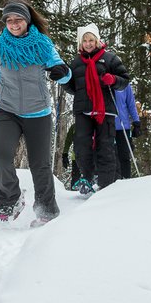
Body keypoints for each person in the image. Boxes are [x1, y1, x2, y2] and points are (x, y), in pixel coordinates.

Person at [0, 0, 72, 227]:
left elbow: (62, 70)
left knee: (40, 165)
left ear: (27, 21)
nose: (13, 24)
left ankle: (47, 211)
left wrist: (62, 72)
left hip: (38, 112)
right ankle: (10, 200)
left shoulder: (42, 44)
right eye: (9, 20)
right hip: (7, 110)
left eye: (18, 20)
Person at [61, 23, 130, 194]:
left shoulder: (110, 59)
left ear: (97, 40)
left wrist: (113, 80)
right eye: (85, 40)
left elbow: (125, 80)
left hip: (105, 109)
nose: (88, 43)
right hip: (84, 109)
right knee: (81, 145)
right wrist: (62, 79)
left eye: (91, 40)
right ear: (80, 43)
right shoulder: (76, 62)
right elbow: (72, 87)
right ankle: (88, 177)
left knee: (105, 146)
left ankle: (106, 184)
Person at [112, 81, 142, 179]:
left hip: (123, 126)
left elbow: (131, 104)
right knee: (110, 156)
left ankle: (126, 181)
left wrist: (136, 122)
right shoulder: (103, 80)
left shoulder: (124, 83)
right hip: (107, 126)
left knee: (124, 155)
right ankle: (111, 183)